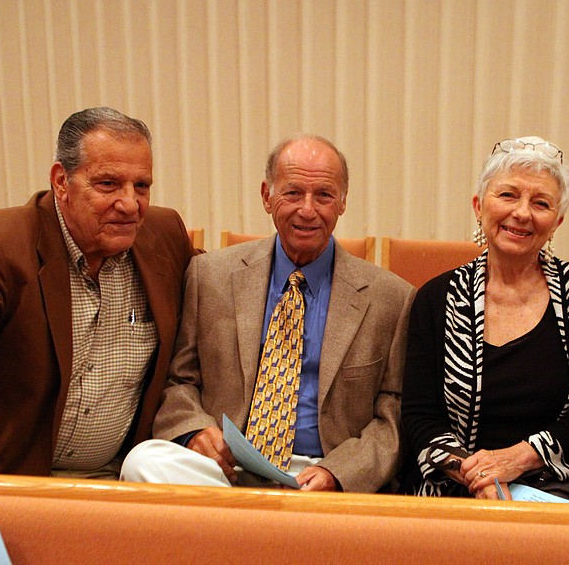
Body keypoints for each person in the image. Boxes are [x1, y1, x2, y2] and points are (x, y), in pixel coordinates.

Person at [121, 134, 415, 492]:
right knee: (144, 461)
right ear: (266, 196)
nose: (308, 210)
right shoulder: (210, 276)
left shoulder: (390, 298)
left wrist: (338, 473)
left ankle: (244, 531)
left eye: (323, 195)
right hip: (226, 469)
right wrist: (196, 430)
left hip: (322, 472)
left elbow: (393, 415)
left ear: (342, 202)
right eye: (293, 193)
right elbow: (179, 380)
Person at [0, 107, 196, 478]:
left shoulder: (164, 237)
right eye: (108, 184)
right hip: (14, 480)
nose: (130, 204)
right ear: (61, 181)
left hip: (122, 478)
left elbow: (227, 290)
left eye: (142, 186)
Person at [401, 137, 569, 499]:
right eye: (508, 195)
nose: (522, 213)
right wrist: (478, 475)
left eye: (541, 203)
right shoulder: (436, 299)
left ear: (557, 221)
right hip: (455, 488)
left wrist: (522, 458)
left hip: (554, 490)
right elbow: (419, 417)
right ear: (478, 207)